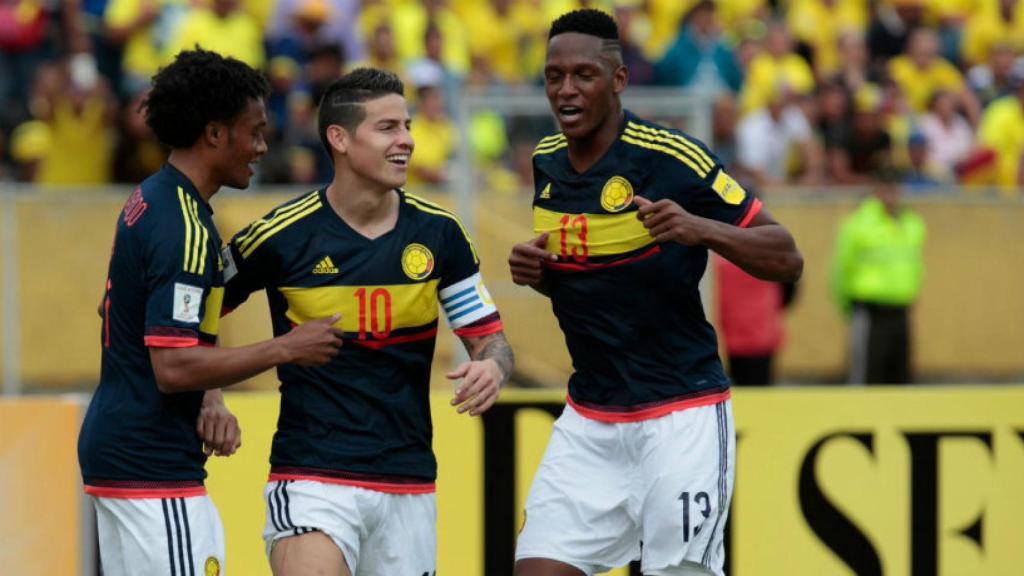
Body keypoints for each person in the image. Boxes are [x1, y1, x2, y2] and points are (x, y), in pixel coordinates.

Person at [508, 10, 803, 576]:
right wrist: (540, 272)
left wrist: (701, 229)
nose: (565, 90)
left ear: (617, 81)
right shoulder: (547, 162)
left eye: (583, 75)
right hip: (592, 414)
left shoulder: (671, 157)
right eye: (553, 76)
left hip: (680, 413)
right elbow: (598, 281)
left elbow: (786, 255)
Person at [221, 67, 514, 576]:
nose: (407, 141)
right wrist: (208, 392)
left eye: (407, 126)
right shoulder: (277, 236)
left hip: (409, 483)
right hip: (312, 475)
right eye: (388, 128)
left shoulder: (441, 234)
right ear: (339, 138)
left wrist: (492, 369)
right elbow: (191, 314)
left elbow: (492, 343)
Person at [78, 49, 345, 576]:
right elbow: (172, 366)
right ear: (216, 133)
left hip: (126, 453)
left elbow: (118, 309)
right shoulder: (185, 229)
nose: (262, 146)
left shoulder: (156, 200)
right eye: (255, 130)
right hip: (151, 465)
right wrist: (287, 348)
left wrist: (211, 395)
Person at [831, 168, 926, 384]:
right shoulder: (858, 223)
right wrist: (850, 308)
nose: (891, 195)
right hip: (870, 311)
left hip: (901, 310)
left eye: (895, 189)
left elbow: (915, 265)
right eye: (886, 189)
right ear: (876, 190)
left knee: (899, 377)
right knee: (867, 376)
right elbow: (841, 269)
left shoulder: (912, 223)